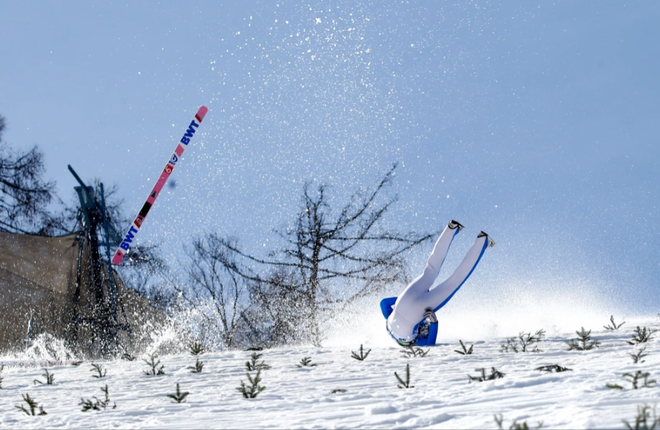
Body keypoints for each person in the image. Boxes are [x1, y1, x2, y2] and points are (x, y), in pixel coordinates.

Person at [380, 220, 494, 346]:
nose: (424, 329)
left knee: (454, 282)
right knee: (430, 269)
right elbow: (383, 303)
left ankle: (482, 241)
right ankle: (451, 228)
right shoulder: (389, 322)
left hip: (418, 309)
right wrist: (404, 301)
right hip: (403, 300)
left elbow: (430, 343)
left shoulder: (413, 342)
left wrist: (434, 322)